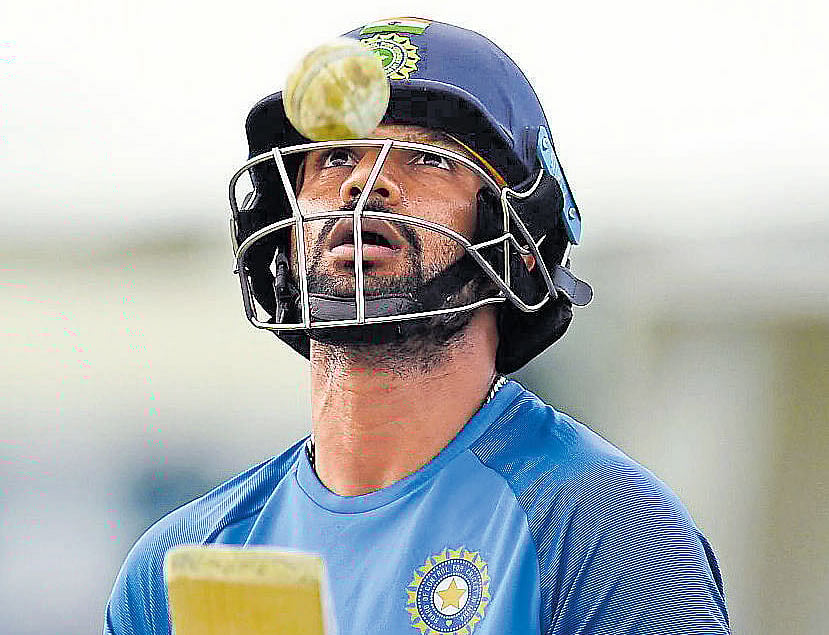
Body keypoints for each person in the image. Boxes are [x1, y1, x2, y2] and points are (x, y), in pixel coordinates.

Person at [104, 18, 730, 635]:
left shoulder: (606, 526)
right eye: (337, 155)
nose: (363, 185)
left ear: (511, 231)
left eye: (427, 160)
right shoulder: (177, 567)